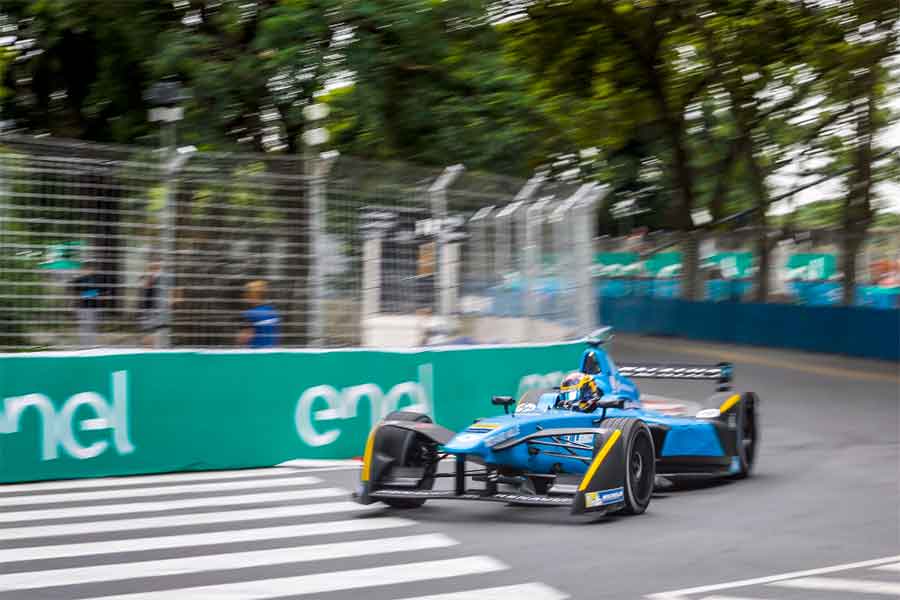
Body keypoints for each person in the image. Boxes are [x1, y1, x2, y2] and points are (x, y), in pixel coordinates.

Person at [237, 279, 281, 348]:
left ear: (253, 296)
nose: (244, 296)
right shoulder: (273, 312)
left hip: (255, 355)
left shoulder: (250, 314)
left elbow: (243, 339)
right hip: (271, 353)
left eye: (247, 294)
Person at [71, 261, 103, 347]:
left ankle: (92, 346)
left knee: (92, 326)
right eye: (85, 269)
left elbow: (99, 289)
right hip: (83, 307)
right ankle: (84, 346)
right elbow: (73, 286)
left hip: (93, 307)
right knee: (84, 327)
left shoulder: (96, 279)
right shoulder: (81, 279)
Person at [138, 260, 163, 348]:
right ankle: (147, 344)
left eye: (154, 268)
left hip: (155, 306)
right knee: (145, 327)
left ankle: (151, 345)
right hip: (146, 306)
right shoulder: (145, 277)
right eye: (151, 268)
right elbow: (142, 288)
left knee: (153, 327)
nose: (151, 270)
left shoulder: (160, 279)